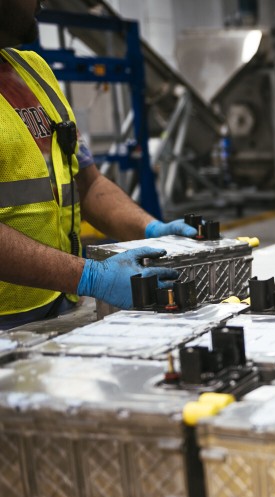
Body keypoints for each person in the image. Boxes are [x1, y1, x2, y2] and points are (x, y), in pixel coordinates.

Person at [0, 0, 196, 330]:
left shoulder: (33, 70)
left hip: (56, 314)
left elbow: (87, 183)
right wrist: (88, 276)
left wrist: (150, 229)